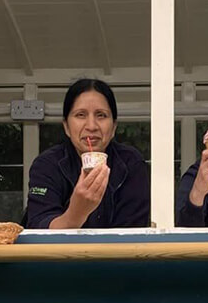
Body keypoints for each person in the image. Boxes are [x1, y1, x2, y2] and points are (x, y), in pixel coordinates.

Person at [24, 79, 150, 229]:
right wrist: (76, 213)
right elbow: (38, 228)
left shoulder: (131, 163)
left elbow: (132, 232)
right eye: (81, 115)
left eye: (101, 115)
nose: (91, 126)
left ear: (114, 127)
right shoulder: (47, 165)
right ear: (66, 127)